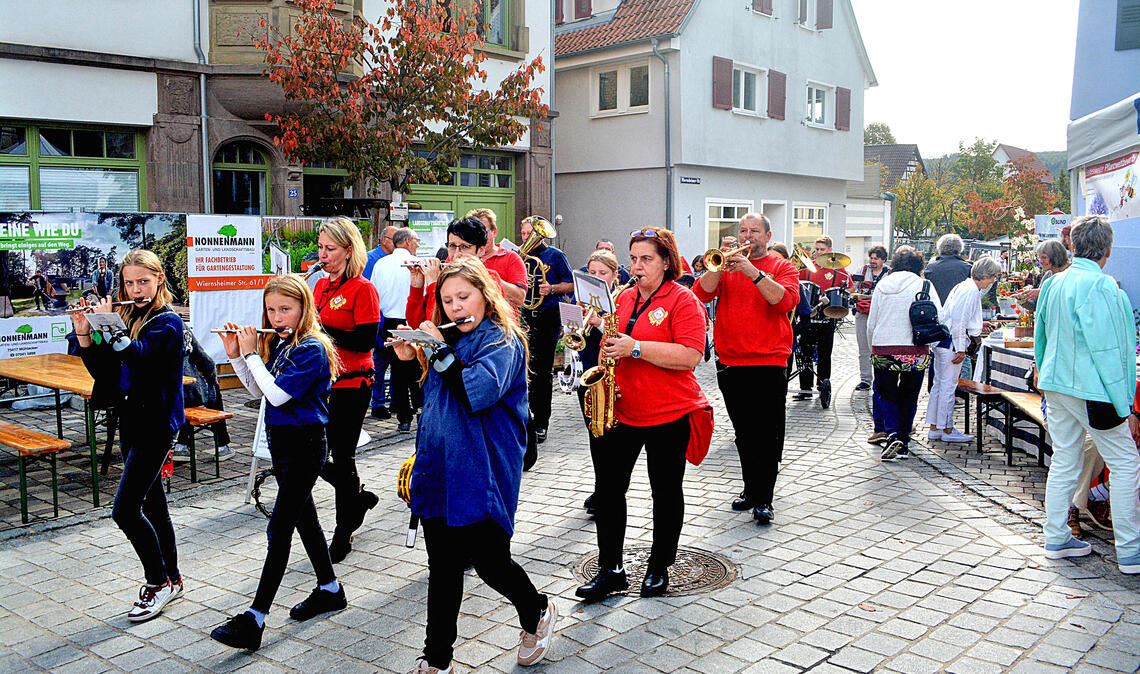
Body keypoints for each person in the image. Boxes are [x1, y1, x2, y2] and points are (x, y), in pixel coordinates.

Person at [392, 258, 557, 673]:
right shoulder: (447, 338)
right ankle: (437, 661)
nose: (455, 308)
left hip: (483, 470)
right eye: (447, 301)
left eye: (463, 297)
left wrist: (437, 350)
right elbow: (433, 401)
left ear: (486, 295)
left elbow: (475, 392)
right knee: (443, 567)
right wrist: (409, 357)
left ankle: (536, 611)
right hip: (441, 467)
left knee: (489, 561)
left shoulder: (502, 340)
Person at [210, 275, 346, 651]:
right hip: (283, 444)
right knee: (307, 521)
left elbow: (280, 395)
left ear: (304, 308)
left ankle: (255, 618)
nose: (277, 316)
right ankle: (330, 589)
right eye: (271, 309)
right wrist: (237, 355)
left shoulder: (311, 348)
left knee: (280, 529)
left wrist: (252, 353)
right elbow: (258, 392)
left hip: (304, 446)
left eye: (285, 309)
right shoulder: (284, 344)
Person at [575, 226, 711, 602]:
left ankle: (658, 565)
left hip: (669, 412)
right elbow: (609, 347)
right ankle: (611, 569)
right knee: (608, 492)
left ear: (666, 262)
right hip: (621, 410)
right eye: (633, 259)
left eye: (646, 259)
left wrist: (636, 348)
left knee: (665, 492)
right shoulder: (622, 297)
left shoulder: (684, 300)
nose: (637, 266)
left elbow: (690, 356)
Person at [71, 250, 185, 622]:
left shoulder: (167, 323)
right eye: (129, 283)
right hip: (131, 421)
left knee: (124, 511)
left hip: (157, 424)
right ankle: (174, 577)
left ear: (159, 280)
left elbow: (139, 357)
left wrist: (110, 324)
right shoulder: (130, 316)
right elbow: (105, 373)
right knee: (153, 506)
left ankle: (158, 582)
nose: (135, 290)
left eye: (143, 282)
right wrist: (86, 334)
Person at [1035, 215, 1140, 574]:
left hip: (1057, 381)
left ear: (1073, 245)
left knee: (1065, 458)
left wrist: (1043, 374)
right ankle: (1130, 549)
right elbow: (1115, 350)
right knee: (1126, 463)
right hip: (1094, 388)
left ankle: (1056, 535)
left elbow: (1041, 336)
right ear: (1108, 250)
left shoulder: (1055, 283)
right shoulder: (1105, 287)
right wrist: (1124, 402)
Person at [694, 214, 799, 525]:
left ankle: (765, 498)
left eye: (754, 231)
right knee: (744, 433)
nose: (748, 236)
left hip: (768, 361)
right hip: (731, 360)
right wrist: (719, 264)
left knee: (766, 434)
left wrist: (752, 271)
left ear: (768, 236)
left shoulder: (782, 266)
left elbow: (783, 301)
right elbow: (701, 293)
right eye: (743, 230)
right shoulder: (727, 266)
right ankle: (751, 489)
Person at [313, 217, 382, 562]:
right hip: (324, 382)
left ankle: (343, 531)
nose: (322, 255)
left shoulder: (362, 288)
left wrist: (321, 329)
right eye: (321, 248)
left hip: (354, 382)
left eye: (330, 249)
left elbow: (367, 340)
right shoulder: (321, 286)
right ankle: (355, 499)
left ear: (348, 250)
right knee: (316, 454)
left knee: (342, 455)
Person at [867, 246, 941, 460]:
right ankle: (904, 440)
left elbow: (872, 322)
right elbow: (940, 316)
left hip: (884, 348)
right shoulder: (925, 285)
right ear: (919, 265)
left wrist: (873, 344)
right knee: (909, 394)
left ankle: (891, 434)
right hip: (915, 349)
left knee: (886, 393)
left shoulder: (883, 285)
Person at [925, 257, 1001, 443]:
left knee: (940, 385)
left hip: (944, 342)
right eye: (993, 277)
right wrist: (960, 349)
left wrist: (977, 325)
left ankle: (935, 426)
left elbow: (958, 318)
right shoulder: (970, 291)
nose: (993, 281)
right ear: (986, 276)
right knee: (948, 386)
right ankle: (947, 428)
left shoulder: (964, 287)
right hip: (951, 343)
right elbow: (959, 322)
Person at [573, 249, 623, 515]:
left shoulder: (619, 298)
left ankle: (608, 491)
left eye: (602, 273)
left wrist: (600, 322)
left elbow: (622, 334)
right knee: (594, 436)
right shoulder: (583, 301)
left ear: (614, 276)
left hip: (610, 375)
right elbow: (576, 339)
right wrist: (572, 323)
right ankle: (599, 487)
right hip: (587, 373)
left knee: (609, 439)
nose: (596, 277)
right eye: (591, 273)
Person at [519, 216, 574, 445]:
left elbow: (571, 283)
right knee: (523, 371)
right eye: (523, 234)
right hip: (524, 315)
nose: (525, 238)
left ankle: (541, 422)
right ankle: (524, 418)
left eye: (529, 234)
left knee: (542, 372)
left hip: (548, 316)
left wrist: (551, 288)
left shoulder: (555, 256)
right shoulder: (518, 257)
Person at [371, 228, 423, 432]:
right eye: (417, 240)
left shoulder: (381, 264)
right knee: (418, 369)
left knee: (397, 370)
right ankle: (420, 411)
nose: (418, 244)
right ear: (408, 242)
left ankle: (403, 417)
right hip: (412, 318)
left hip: (389, 321)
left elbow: (374, 294)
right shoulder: (415, 264)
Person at [794, 235, 853, 407]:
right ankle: (805, 387)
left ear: (829, 251)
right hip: (808, 316)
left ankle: (823, 385)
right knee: (804, 351)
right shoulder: (808, 267)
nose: (818, 252)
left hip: (828, 316)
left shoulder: (838, 270)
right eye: (816, 249)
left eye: (821, 250)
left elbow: (849, 287)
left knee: (825, 353)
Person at [173, 326, 234, 463]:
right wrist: (212, 377)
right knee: (210, 388)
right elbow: (203, 359)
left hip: (151, 393)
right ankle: (222, 445)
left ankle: (182, 443)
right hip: (181, 392)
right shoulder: (178, 326)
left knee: (186, 394)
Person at [465, 208, 528, 308]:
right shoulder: (461, 256)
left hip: (500, 322)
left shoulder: (511, 258)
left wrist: (486, 275)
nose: (479, 238)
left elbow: (519, 298)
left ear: (494, 232)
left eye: (484, 232)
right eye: (473, 234)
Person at [366, 225, 398, 419]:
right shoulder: (371, 260)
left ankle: (394, 400)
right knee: (379, 363)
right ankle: (377, 402)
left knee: (397, 362)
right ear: (384, 240)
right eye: (395, 239)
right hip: (379, 320)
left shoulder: (394, 259)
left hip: (394, 318)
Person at [854, 246, 889, 392]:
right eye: (871, 258)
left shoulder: (890, 274)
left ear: (883, 260)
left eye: (876, 258)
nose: (873, 261)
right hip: (862, 312)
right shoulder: (862, 271)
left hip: (881, 314)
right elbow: (853, 288)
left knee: (881, 347)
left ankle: (881, 378)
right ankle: (865, 380)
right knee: (863, 348)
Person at [1015, 239, 1070, 310]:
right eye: (1039, 257)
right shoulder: (1048, 275)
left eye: (1044, 257)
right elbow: (1035, 305)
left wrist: (1042, 292)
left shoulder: (1070, 272)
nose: (1040, 261)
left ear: (1056, 256)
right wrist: (1022, 299)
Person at [923, 234, 971, 308]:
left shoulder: (931, 267)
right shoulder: (967, 268)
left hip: (936, 310)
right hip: (959, 310)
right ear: (960, 248)